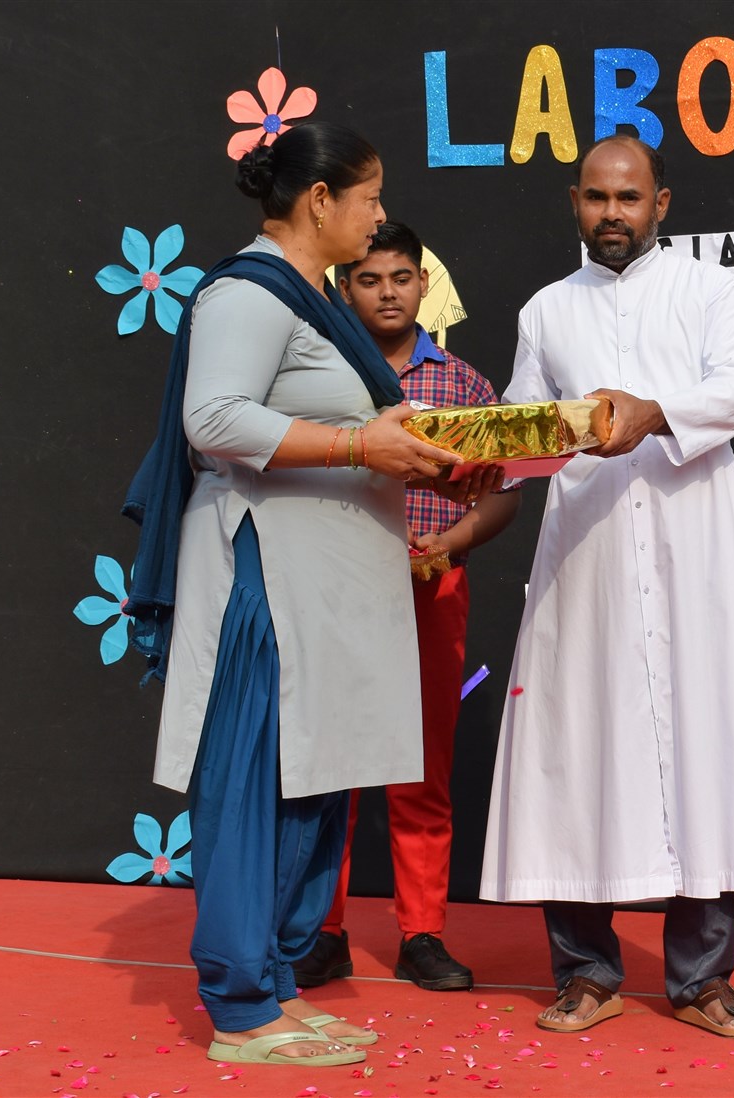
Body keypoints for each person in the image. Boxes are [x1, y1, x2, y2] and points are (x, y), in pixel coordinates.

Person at [122, 121, 484, 1067]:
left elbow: (350, 426)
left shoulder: (315, 300)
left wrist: (446, 453)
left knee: (310, 787)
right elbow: (214, 418)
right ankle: (241, 1008)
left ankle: (275, 983)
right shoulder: (249, 292)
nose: (378, 214)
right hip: (265, 581)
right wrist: (366, 444)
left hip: (326, 593)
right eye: (369, 197)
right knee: (252, 785)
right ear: (319, 201)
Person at [479, 135, 734, 1038]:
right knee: (578, 748)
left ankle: (701, 979)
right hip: (587, 560)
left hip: (693, 553)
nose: (611, 213)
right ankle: (587, 974)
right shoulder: (547, 310)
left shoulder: (708, 289)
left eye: (629, 198)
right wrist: (480, 453)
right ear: (574, 203)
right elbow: (530, 428)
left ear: (662, 203)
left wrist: (655, 412)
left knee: (706, 745)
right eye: (596, 198)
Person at [292, 221, 520, 992]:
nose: (387, 293)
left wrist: (449, 543)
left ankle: (423, 933)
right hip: (335, 592)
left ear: (424, 284)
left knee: (421, 769)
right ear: (343, 287)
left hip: (432, 590)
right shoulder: (318, 377)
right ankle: (320, 932)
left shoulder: (466, 386)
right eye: (369, 279)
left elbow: (505, 494)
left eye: (400, 278)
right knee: (331, 767)